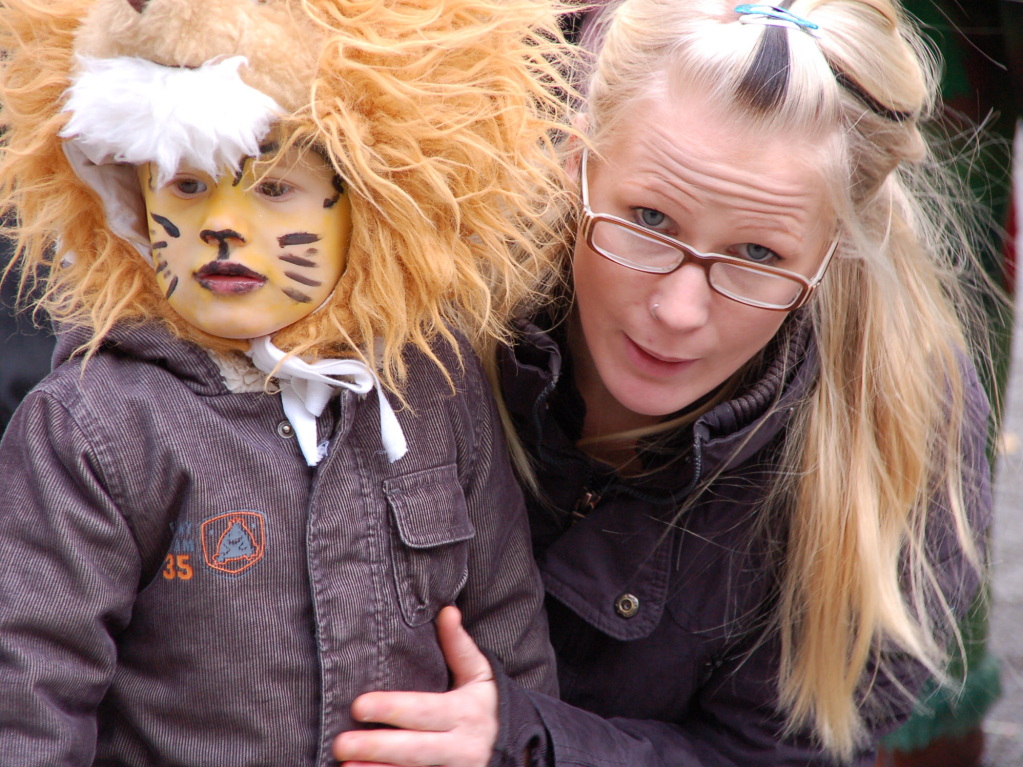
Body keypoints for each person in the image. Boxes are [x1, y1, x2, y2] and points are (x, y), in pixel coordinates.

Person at [331, 1, 996, 765]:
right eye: (648, 219)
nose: (678, 310)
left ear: (833, 252)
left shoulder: (899, 428)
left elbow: (772, 753)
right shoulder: (418, 293)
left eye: (756, 253)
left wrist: (521, 745)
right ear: (574, 161)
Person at [0, 0, 571, 763]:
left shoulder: (434, 388)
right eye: (186, 186)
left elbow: (507, 627)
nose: (222, 226)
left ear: (365, 204)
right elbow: (31, 691)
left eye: (273, 187)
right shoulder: (95, 425)